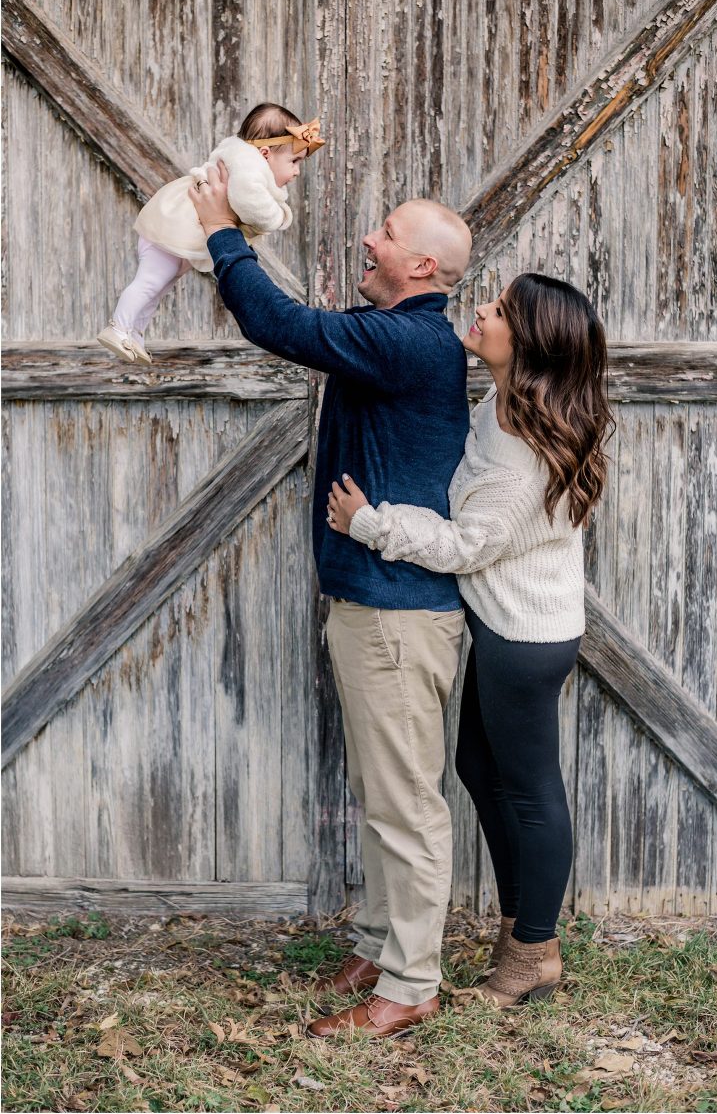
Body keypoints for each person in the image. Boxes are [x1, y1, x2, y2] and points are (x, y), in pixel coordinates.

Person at [190, 163, 473, 1039]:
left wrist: (220, 230)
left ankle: (413, 982)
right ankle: (380, 940)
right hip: (374, 601)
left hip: (397, 610)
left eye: (386, 232)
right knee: (378, 788)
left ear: (420, 267)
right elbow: (309, 327)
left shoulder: (412, 344)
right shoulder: (390, 331)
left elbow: (279, 322)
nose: (369, 239)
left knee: (404, 802)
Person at [328, 273, 613, 1007]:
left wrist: (373, 524)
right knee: (479, 767)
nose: (481, 311)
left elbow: (465, 545)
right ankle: (520, 921)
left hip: (527, 638)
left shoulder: (523, 458)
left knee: (531, 789)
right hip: (505, 626)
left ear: (530, 344)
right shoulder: (507, 405)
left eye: (500, 312)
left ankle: (533, 951)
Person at [97, 103, 324, 364]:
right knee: (150, 281)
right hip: (170, 228)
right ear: (265, 153)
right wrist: (279, 215)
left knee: (159, 285)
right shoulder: (248, 170)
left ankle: (134, 333)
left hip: (176, 233)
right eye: (294, 161)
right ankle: (117, 327)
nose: (296, 171)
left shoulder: (246, 161)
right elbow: (255, 210)